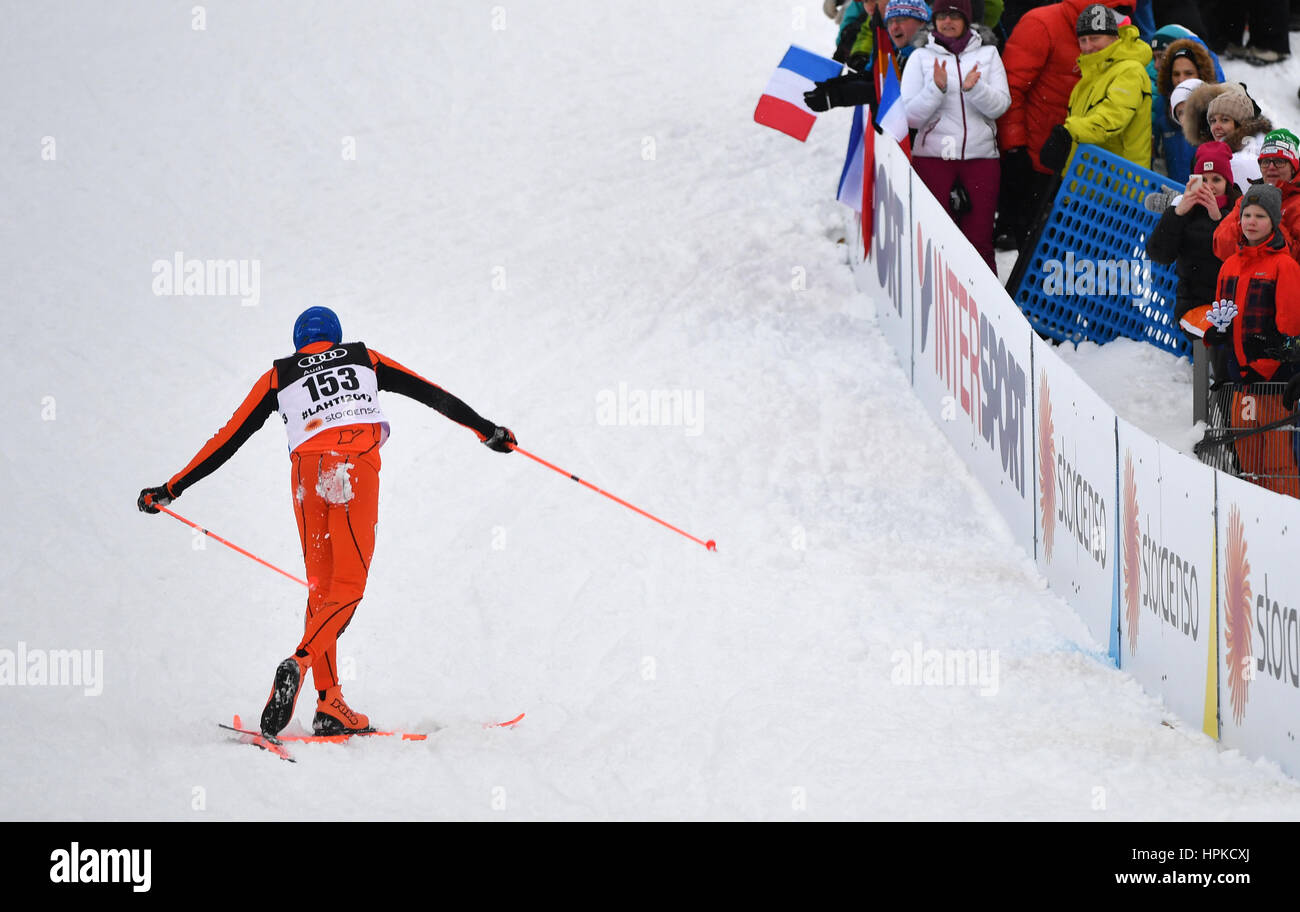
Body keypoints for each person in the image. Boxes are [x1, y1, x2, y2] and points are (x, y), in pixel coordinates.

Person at [137, 307, 517, 737]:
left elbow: (228, 438)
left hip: (307, 476)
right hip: (352, 467)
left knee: (321, 592)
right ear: (335, 339)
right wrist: (486, 430)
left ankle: (329, 703)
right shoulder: (364, 358)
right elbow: (430, 393)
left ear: (300, 342)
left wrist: (171, 488)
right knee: (349, 589)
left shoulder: (278, 377)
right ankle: (300, 663)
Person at [995, 0, 1128, 248]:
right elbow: (1011, 88)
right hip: (1039, 160)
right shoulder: (1042, 24)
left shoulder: (1121, 25)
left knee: (1074, 254)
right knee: (1035, 251)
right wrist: (1015, 147)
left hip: (1087, 167)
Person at [901, 0, 1011, 269]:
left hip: (981, 158)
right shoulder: (919, 57)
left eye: (954, 16)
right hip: (932, 159)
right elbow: (909, 117)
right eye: (941, 16)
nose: (947, 22)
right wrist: (935, 90)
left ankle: (987, 307)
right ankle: (934, 304)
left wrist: (975, 90)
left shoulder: (988, 55)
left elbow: (1000, 105)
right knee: (936, 239)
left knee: (980, 240)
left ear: (966, 19)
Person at [1207, 183, 1300, 494]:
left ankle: (1287, 520)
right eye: (1246, 214)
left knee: (1279, 460)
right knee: (1248, 457)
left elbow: (1292, 322)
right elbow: (1223, 313)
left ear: (1273, 221)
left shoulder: (1284, 265)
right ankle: (1254, 517)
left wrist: (1278, 347)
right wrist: (1217, 334)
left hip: (1276, 381)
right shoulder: (1230, 265)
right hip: (1241, 380)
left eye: (1260, 215)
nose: (1251, 221)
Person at [1146, 141, 1240, 354]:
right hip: (1193, 305)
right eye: (1203, 180)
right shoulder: (1184, 212)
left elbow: (1240, 257)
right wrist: (1177, 213)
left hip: (1232, 305)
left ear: (1228, 183)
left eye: (1216, 179)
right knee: (1219, 332)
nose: (1210, 186)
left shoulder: (1238, 214)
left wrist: (1218, 218)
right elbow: (1158, 254)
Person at [1036, 5, 1153, 174]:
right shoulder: (1089, 78)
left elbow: (1111, 119)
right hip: (1088, 182)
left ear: (1114, 36)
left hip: (1120, 186)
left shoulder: (1130, 71)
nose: (1088, 46)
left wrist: (1068, 132)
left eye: (1095, 38)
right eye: (1083, 40)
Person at [1213, 129, 1300, 263]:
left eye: (1279, 161)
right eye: (1265, 161)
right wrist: (1245, 224)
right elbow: (1221, 247)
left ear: (1293, 167)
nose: (1271, 167)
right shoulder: (1248, 199)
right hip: (1245, 277)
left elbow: (1295, 260)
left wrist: (1273, 219)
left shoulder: (1297, 204)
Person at [1179, 83, 1271, 192]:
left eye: (1225, 120)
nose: (1216, 127)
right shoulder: (1210, 153)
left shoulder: (1244, 158)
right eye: (1213, 121)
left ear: (1240, 123)